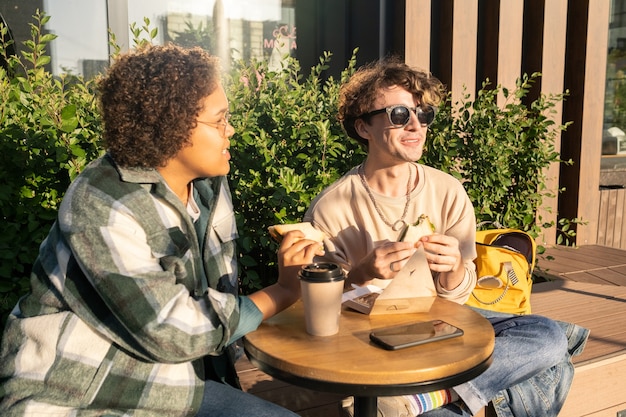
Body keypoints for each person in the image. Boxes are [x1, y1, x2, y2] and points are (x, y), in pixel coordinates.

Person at [0, 44, 323, 417]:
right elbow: (170, 331)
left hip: (172, 385)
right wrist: (283, 291)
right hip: (75, 396)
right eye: (219, 120)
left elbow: (212, 295)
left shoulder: (208, 184)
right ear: (172, 126)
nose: (230, 129)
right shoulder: (102, 202)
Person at [304, 58, 586, 416]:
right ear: (364, 127)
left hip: (442, 324)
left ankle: (422, 399)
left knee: (546, 335)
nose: (415, 125)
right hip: (370, 340)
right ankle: (436, 402)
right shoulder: (332, 207)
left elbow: (459, 294)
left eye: (423, 115)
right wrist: (361, 274)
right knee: (555, 361)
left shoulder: (447, 190)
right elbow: (319, 312)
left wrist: (453, 269)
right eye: (399, 114)